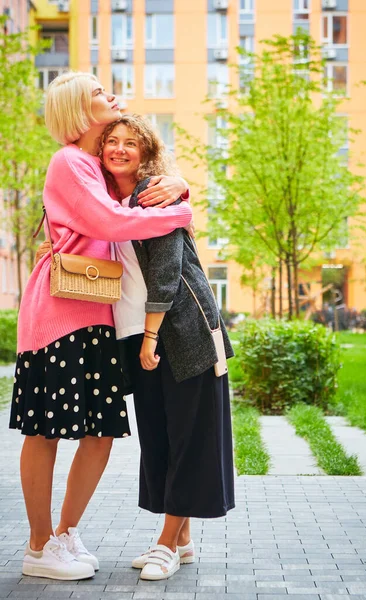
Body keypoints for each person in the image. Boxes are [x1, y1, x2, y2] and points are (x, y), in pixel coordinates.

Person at [8, 72, 192, 582]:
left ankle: (64, 535)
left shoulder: (98, 166)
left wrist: (180, 186)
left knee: (100, 433)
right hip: (59, 317)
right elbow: (112, 224)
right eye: (96, 92)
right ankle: (39, 543)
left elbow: (142, 190)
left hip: (97, 316)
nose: (109, 94)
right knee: (46, 430)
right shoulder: (68, 162)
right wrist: (180, 213)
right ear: (77, 110)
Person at [98, 115, 235, 581]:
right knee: (161, 434)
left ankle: (166, 543)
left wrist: (152, 335)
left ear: (145, 151)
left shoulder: (152, 194)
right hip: (138, 332)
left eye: (130, 143)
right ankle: (183, 539)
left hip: (180, 331)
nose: (119, 149)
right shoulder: (106, 201)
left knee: (188, 434)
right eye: (111, 141)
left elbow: (167, 269)